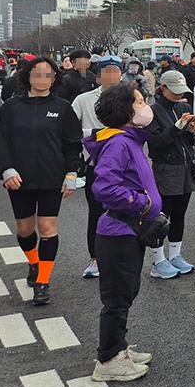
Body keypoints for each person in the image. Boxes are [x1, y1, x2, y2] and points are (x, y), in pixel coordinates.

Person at [85, 85, 162, 382]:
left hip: (129, 230)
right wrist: (142, 203)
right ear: (125, 110)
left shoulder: (129, 140)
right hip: (119, 231)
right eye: (139, 102)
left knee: (126, 292)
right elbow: (105, 187)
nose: (145, 106)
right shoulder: (119, 143)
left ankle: (118, 348)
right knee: (117, 298)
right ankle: (107, 359)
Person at [0, 58, 83, 305]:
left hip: (51, 178)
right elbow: (0, 141)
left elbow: (72, 144)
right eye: (37, 74)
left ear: (55, 79)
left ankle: (43, 281)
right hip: (18, 179)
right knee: (24, 229)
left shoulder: (63, 108)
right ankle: (33, 262)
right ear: (28, 76)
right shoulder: (10, 107)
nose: (43, 79)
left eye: (48, 74)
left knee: (48, 228)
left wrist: (72, 173)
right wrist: (6, 169)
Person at [73, 56, 126, 279]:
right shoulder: (83, 100)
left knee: (123, 212)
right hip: (95, 166)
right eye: (107, 71)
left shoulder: (130, 97)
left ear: (121, 75)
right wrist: (94, 135)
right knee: (96, 212)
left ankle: (119, 258)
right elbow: (70, 129)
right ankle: (95, 258)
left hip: (124, 167)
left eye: (115, 71)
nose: (112, 76)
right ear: (98, 75)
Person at [145, 70, 195, 278]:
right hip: (165, 168)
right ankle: (158, 260)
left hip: (186, 167)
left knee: (180, 214)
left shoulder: (184, 107)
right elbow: (156, 143)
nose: (179, 95)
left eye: (181, 91)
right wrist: (177, 127)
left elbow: (189, 142)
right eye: (175, 91)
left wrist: (193, 131)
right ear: (163, 88)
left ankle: (176, 255)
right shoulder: (153, 111)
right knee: (162, 216)